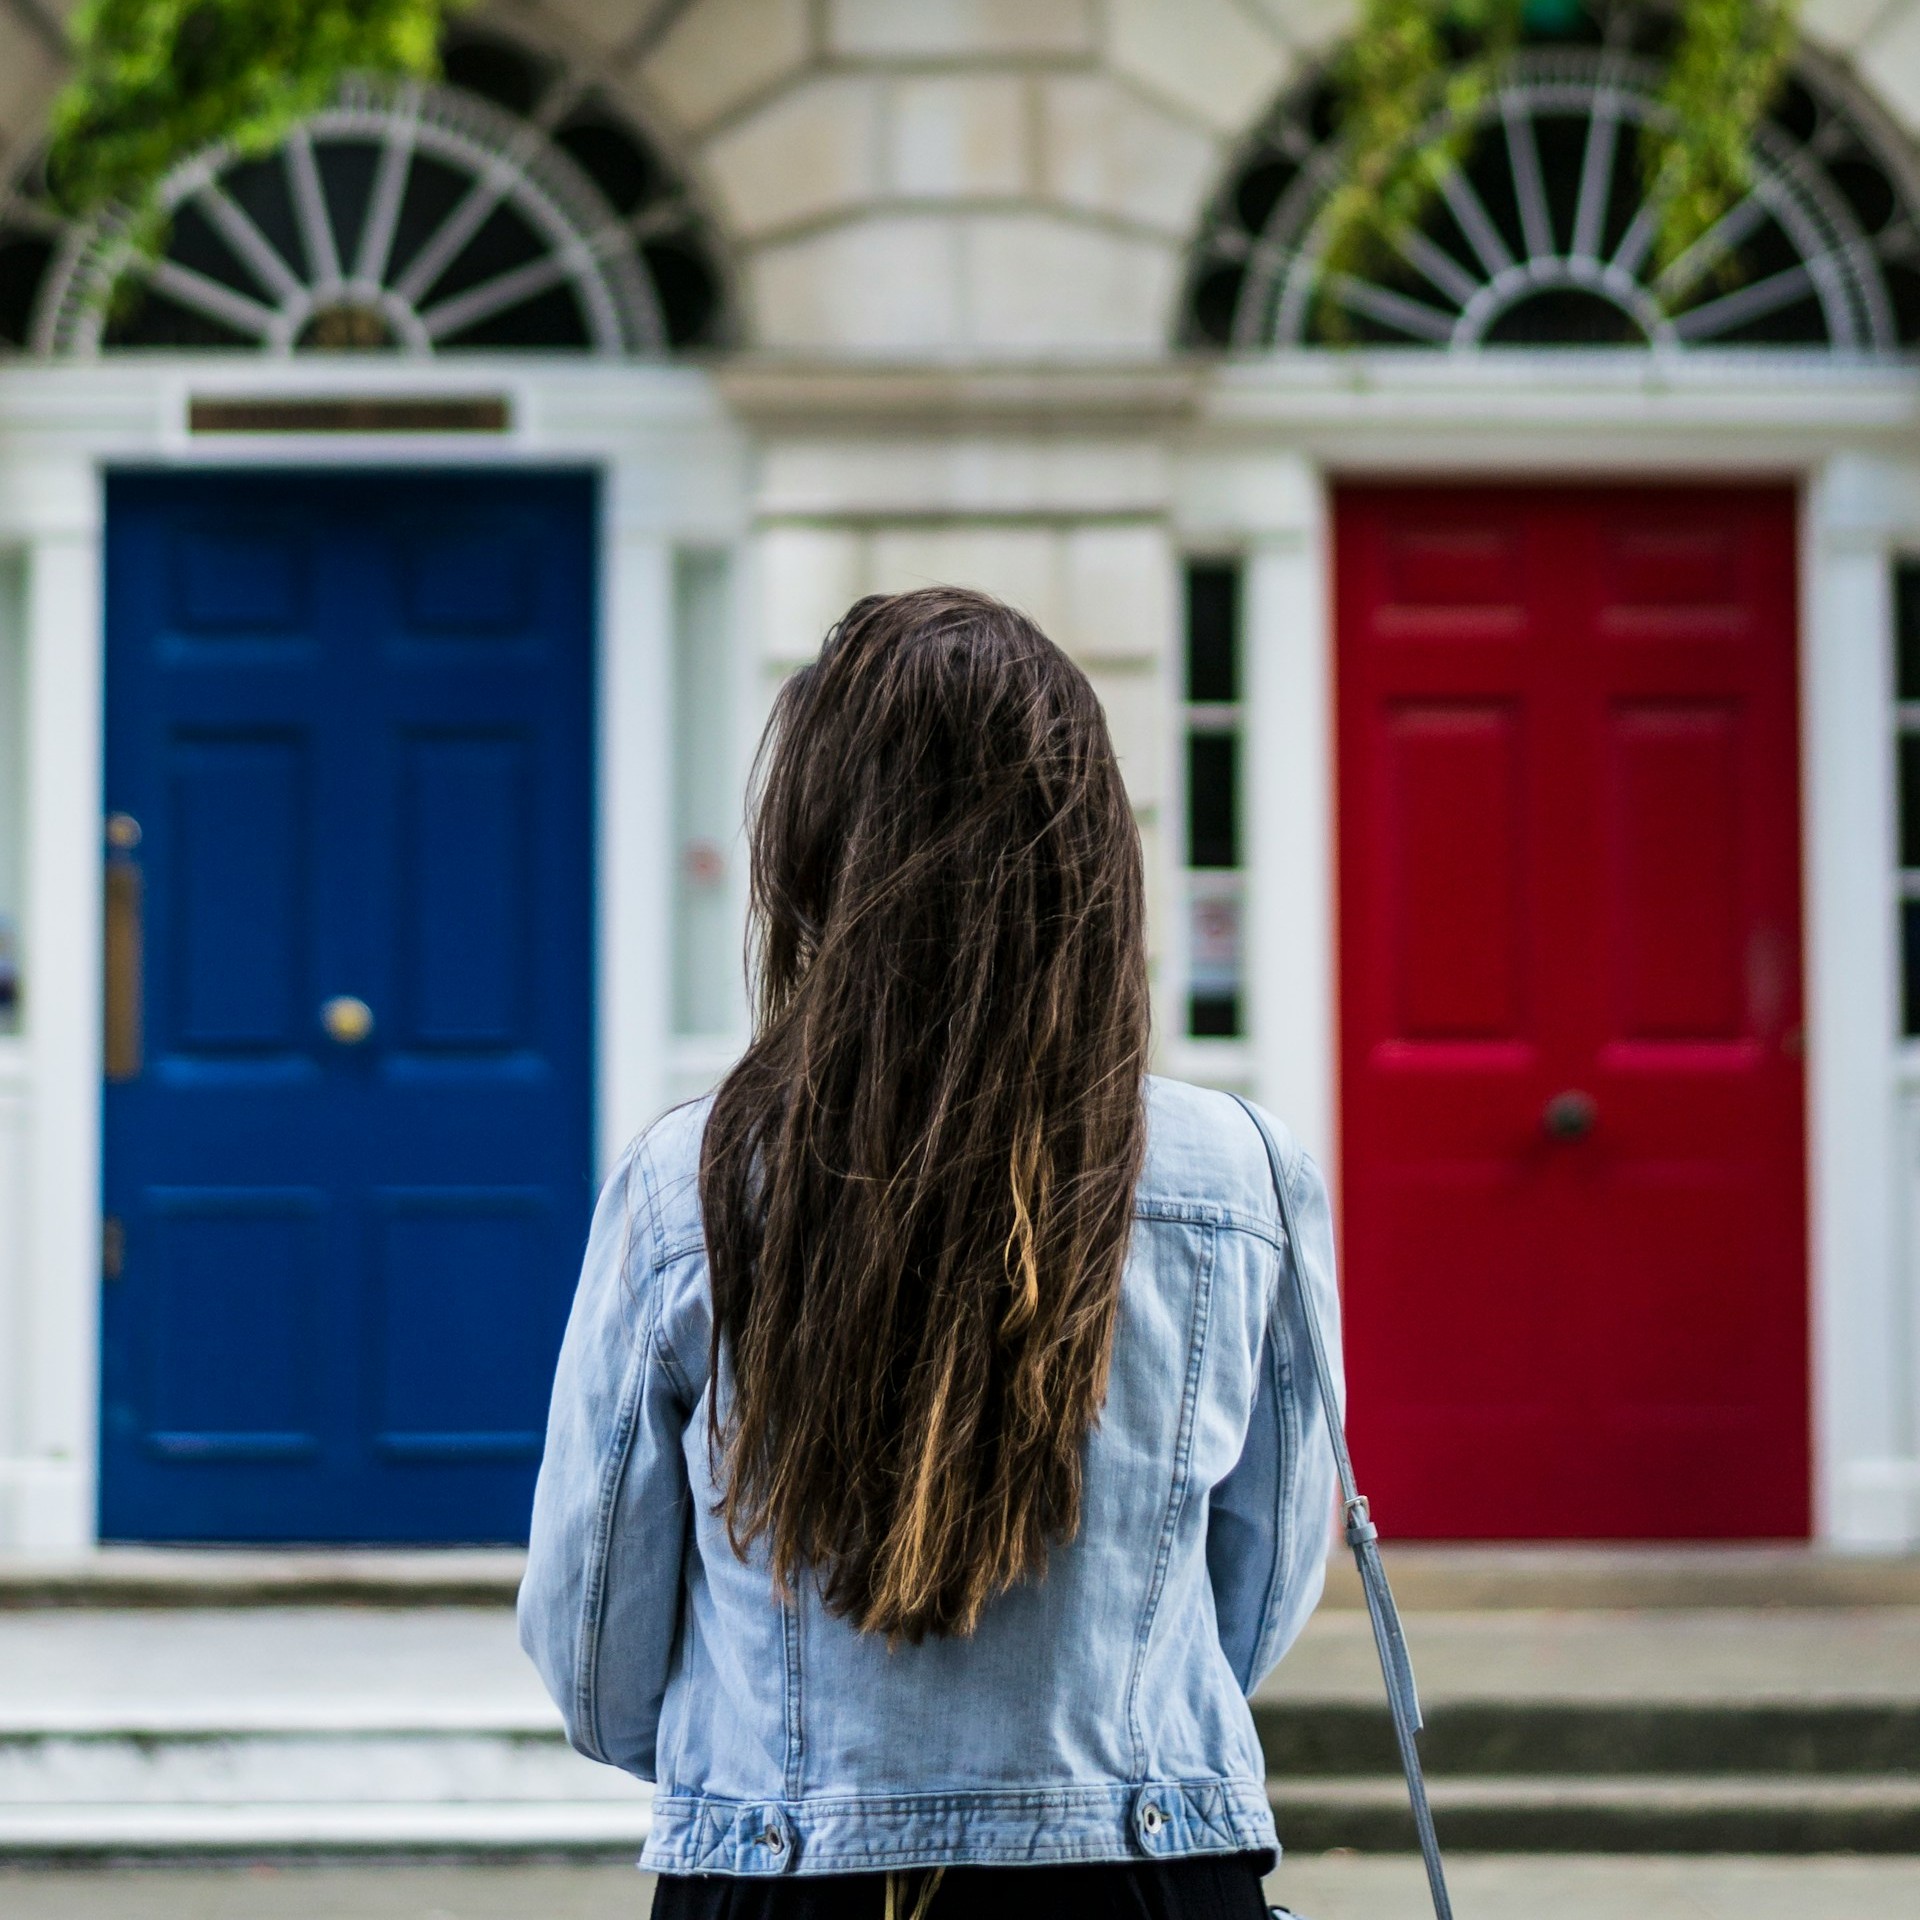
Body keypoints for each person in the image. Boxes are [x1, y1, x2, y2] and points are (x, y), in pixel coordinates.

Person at [519, 588, 1340, 1918]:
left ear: (814, 856)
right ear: (1092, 855)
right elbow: (1248, 1604)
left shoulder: (691, 1183)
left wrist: (761, 1760)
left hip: (792, 1876)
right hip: (1145, 1869)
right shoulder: (1239, 1175)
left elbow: (594, 1643)